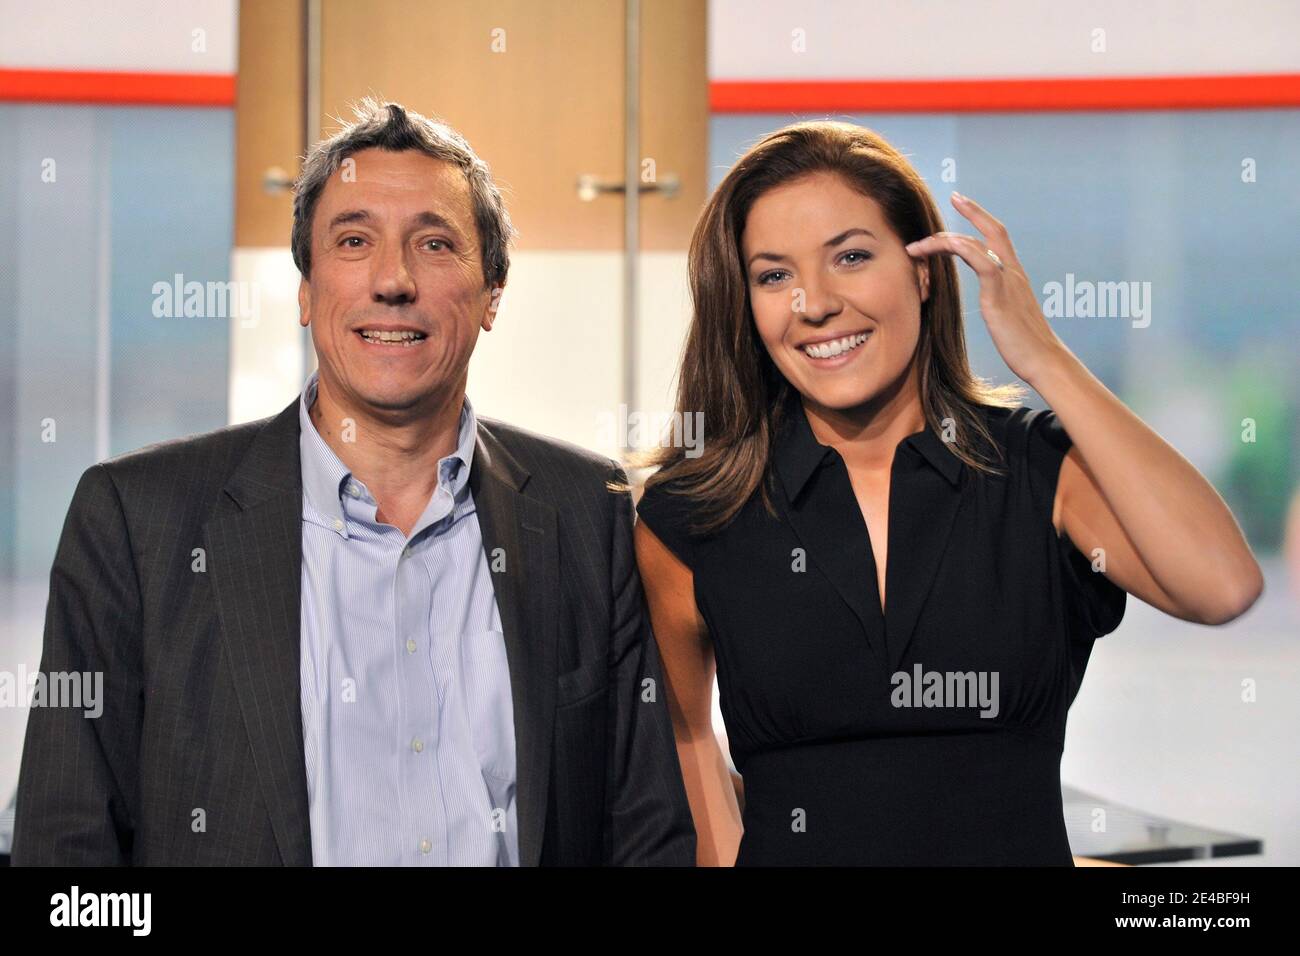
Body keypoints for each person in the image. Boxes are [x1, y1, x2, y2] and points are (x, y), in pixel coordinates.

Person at [12, 99, 694, 866]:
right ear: (306, 290)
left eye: (434, 244)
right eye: (354, 240)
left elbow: (646, 834)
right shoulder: (139, 521)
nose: (392, 280)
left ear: (492, 295)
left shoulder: (584, 511)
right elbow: (67, 854)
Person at [634, 120, 1263, 866]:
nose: (815, 303)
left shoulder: (1037, 470)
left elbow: (1221, 586)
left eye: (852, 257)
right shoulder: (695, 511)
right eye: (775, 275)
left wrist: (1044, 357)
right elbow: (686, 739)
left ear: (924, 273)